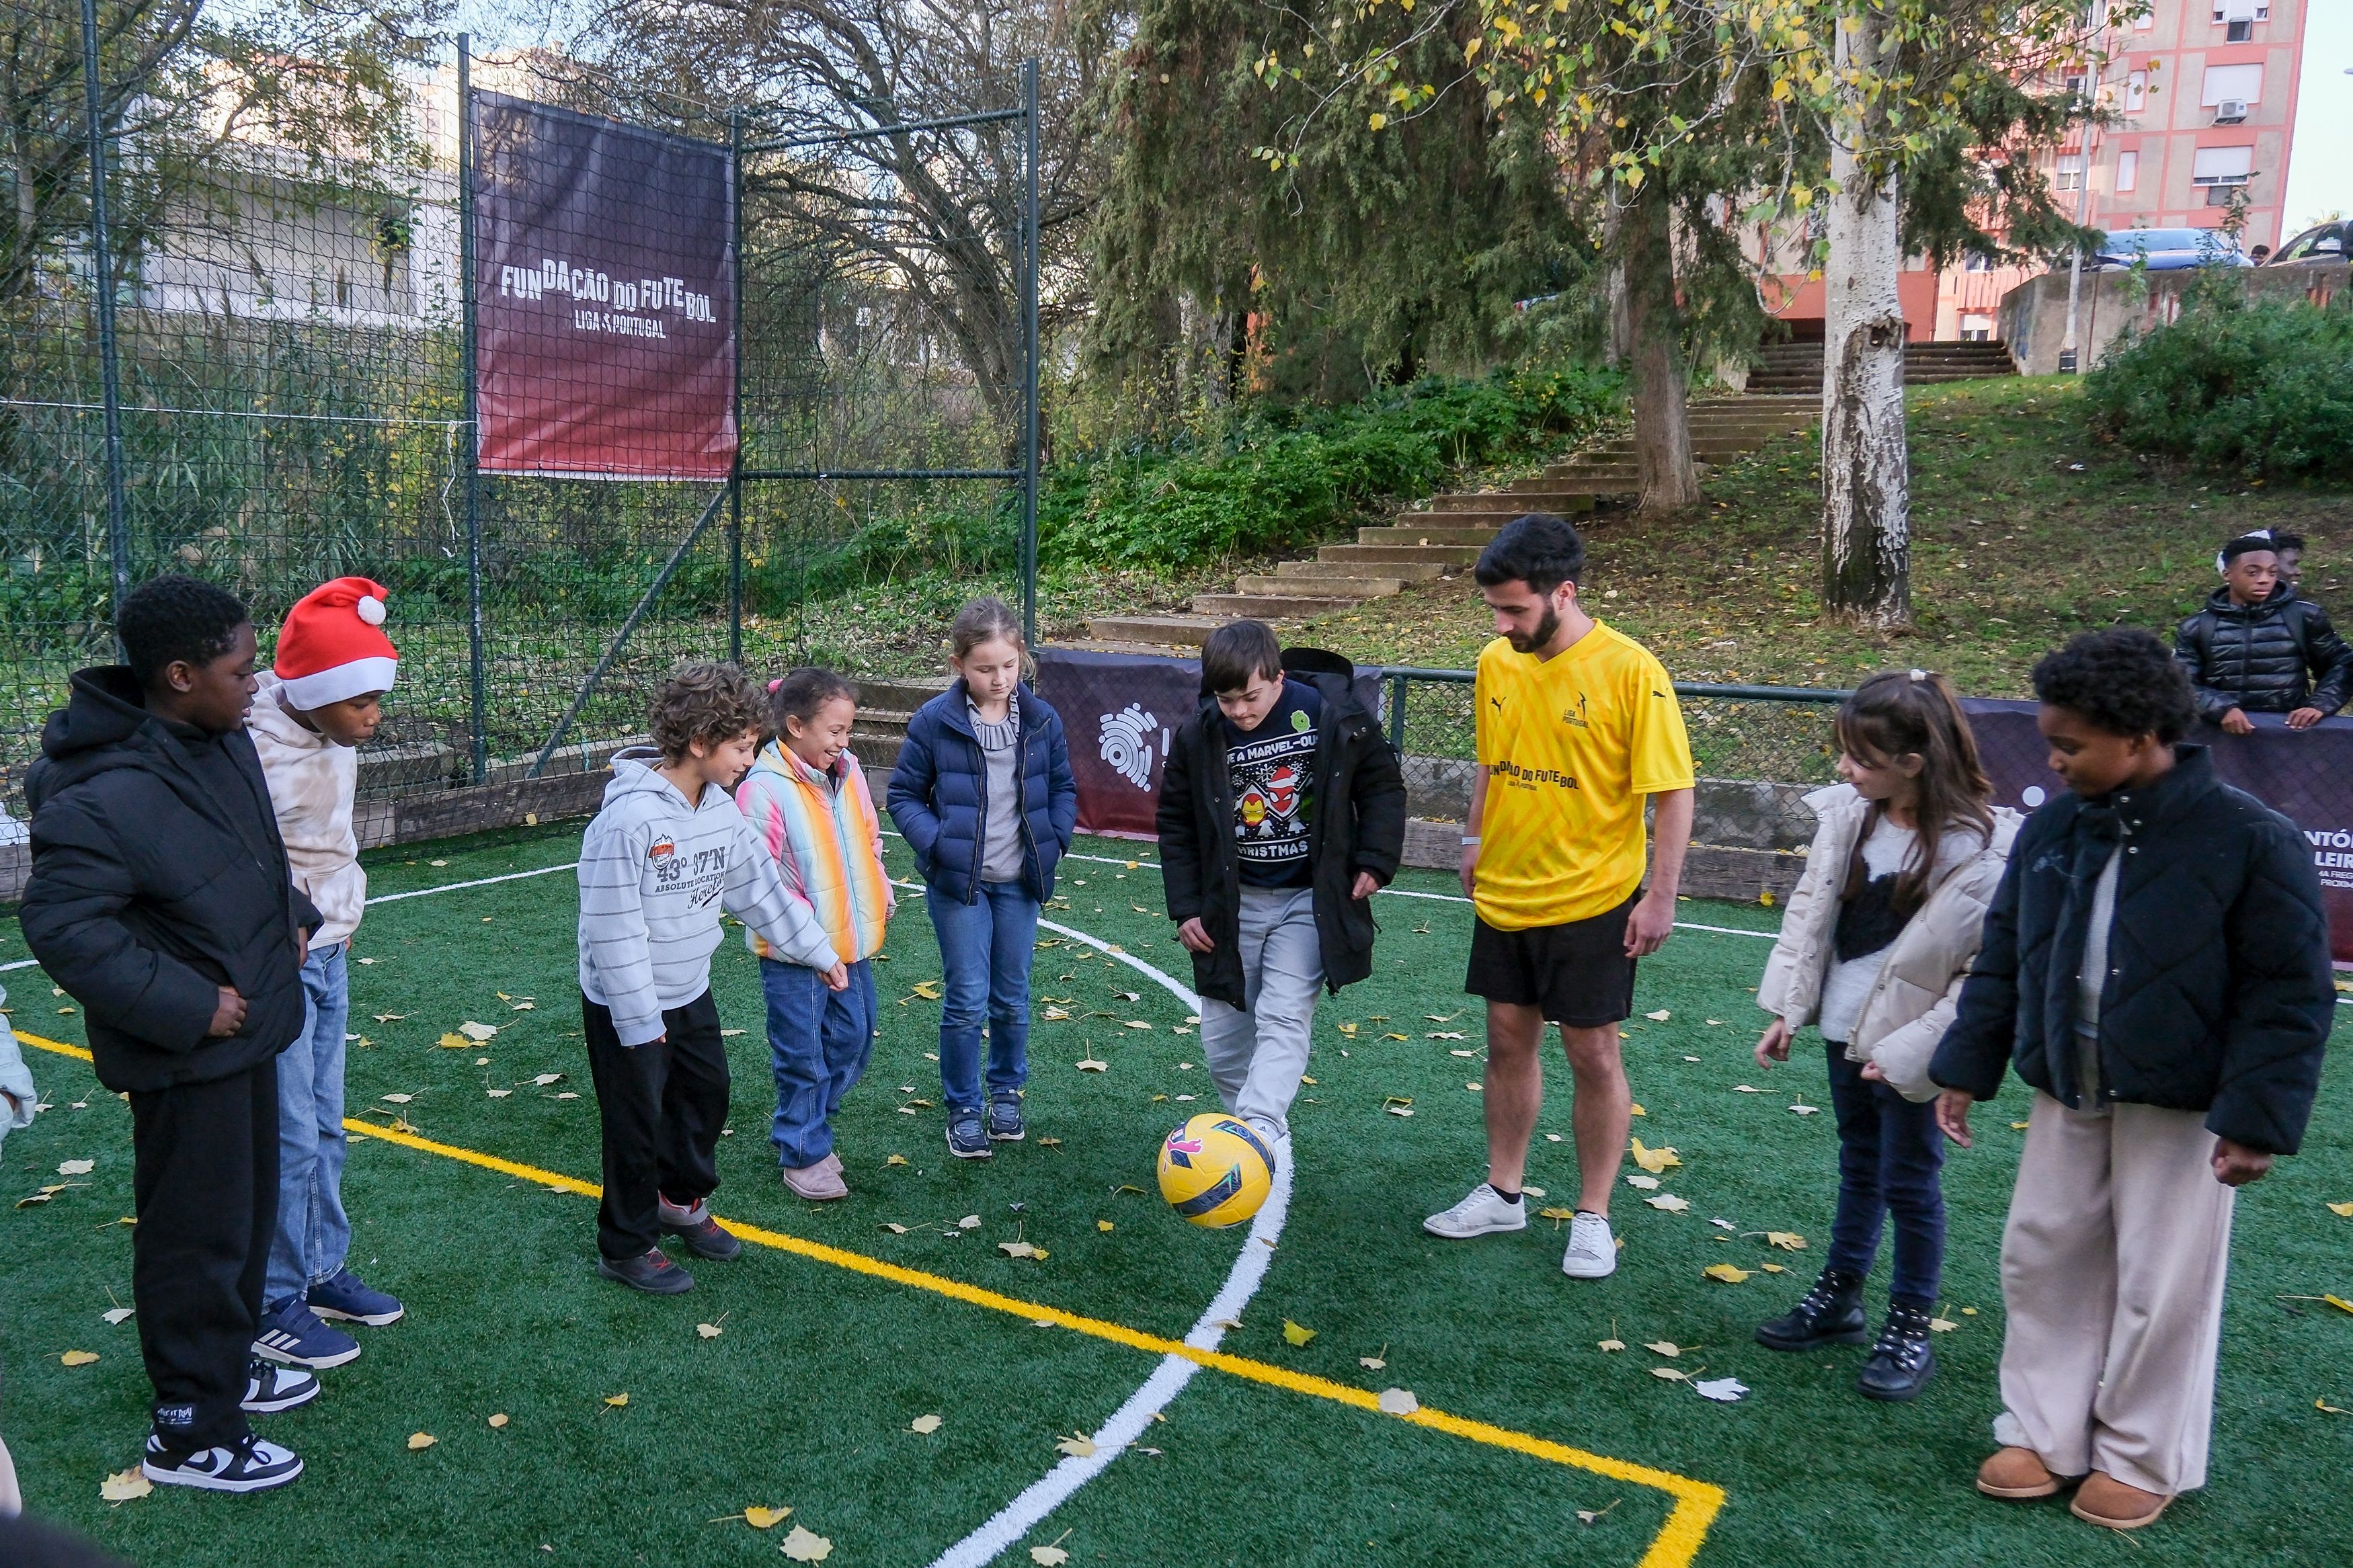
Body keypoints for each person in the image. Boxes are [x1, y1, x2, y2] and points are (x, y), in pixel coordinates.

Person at [1930, 628, 2331, 1531]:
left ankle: (2143, 1454)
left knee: (2165, 1281)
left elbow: (2288, 990)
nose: (2054, 759)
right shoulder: (2053, 824)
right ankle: (2042, 1432)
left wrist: (2256, 1118)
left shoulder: (2251, 838)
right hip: (2068, 1086)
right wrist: (1965, 1065)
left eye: (2069, 744)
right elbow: (2006, 952)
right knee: (2042, 1258)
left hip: (2184, 1107)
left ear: (2142, 733)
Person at [21, 576, 321, 1493]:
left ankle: (225, 1371)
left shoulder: (212, 736)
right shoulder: (98, 789)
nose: (260, 683)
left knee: (244, 1221)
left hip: (250, 1035)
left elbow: (236, 851)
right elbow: (65, 927)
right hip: (189, 1052)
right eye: (241, 668)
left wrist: (291, 908)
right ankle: (190, 1431)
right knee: (197, 1239)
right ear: (181, 674)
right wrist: (192, 1005)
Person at [1423, 513, 1696, 1280]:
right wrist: (1473, 842)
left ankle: (1593, 1215)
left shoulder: (1630, 670)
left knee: (1593, 1052)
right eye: (1494, 610)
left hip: (1593, 897)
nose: (1502, 623)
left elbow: (1672, 794)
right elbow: (1489, 759)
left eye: (1514, 609)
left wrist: (1660, 896)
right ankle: (1503, 1191)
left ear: (1563, 592)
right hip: (1506, 892)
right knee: (1506, 1041)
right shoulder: (1494, 663)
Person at [1751, 670, 2020, 1401]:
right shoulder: (1849, 817)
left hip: (1909, 1049)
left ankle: (1909, 1322)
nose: (1843, 768)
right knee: (1859, 1165)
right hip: (1842, 1030)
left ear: (1913, 762)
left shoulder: (1981, 849)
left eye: (1860, 758)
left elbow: (1979, 973)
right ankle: (1839, 1295)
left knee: (1909, 1182)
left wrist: (1913, 1051)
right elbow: (1810, 917)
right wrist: (1788, 1009)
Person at [577, 662, 846, 1294]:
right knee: (636, 1121)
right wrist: (640, 1024)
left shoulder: (720, 810)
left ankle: (679, 1200)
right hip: (626, 1003)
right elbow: (613, 932)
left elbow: (761, 889)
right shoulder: (628, 823)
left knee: (706, 1095)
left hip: (689, 989)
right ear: (700, 743)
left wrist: (816, 949)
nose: (750, 759)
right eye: (743, 746)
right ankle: (626, 1243)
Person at [1156, 620, 1407, 1155]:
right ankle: (1251, 1124)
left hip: (1308, 901)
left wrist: (1377, 858)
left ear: (1278, 676)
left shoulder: (1329, 715)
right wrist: (1185, 909)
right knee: (1224, 1045)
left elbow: (1383, 783)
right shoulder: (1201, 733)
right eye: (1227, 700)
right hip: (1231, 903)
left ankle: (1260, 1128)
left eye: (1251, 696)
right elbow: (1175, 823)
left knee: (1284, 1010)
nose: (1240, 711)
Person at [245, 577, 406, 1372]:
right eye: (360, 701)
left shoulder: (333, 731)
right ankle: (273, 1296)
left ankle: (319, 1268)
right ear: (315, 696)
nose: (374, 715)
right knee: (288, 1133)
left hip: (333, 945)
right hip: (281, 958)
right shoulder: (250, 747)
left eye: (378, 696)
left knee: (327, 1124)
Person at [887, 597, 1076, 1161]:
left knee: (1013, 997)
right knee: (967, 998)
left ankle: (1006, 1093)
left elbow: (1064, 788)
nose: (999, 679)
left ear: (1022, 658)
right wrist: (940, 845)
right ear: (958, 665)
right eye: (984, 668)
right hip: (958, 885)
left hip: (1020, 882)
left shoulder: (1042, 719)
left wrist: (1056, 840)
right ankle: (964, 1107)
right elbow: (902, 795)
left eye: (1008, 666)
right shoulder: (933, 721)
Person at [735, 667, 893, 1201]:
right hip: (794, 955)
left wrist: (881, 886)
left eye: (848, 730)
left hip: (850, 943)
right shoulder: (763, 789)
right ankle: (802, 1148)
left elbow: (870, 838)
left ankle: (808, 1125)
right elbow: (760, 882)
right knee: (803, 1052)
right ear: (796, 726)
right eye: (835, 730)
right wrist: (808, 942)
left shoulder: (846, 773)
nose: (844, 742)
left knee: (854, 1037)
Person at [2173, 531, 2350, 733]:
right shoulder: (2197, 627)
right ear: (2227, 574)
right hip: (2223, 739)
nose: (2264, 580)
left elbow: (2341, 663)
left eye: (2272, 572)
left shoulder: (2304, 616)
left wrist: (2319, 705)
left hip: (2289, 735)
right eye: (2252, 572)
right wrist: (2221, 709)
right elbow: (2179, 682)